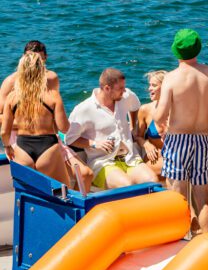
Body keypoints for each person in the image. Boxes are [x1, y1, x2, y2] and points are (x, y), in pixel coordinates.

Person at [156, 30, 208, 234]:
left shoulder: (172, 77)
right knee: (202, 197)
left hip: (178, 139)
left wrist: (159, 122)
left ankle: (180, 243)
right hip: (201, 139)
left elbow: (160, 115)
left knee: (178, 195)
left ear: (176, 51)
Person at [65, 67, 157, 190]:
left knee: (153, 182)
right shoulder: (83, 109)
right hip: (102, 162)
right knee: (126, 186)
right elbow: (70, 139)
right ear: (107, 88)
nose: (124, 91)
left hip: (130, 158)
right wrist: (94, 144)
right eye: (120, 89)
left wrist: (132, 126)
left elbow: (135, 106)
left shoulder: (125, 96)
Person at [1, 52, 70, 184]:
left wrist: (8, 147)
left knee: (28, 193)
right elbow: (64, 128)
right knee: (63, 192)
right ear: (42, 71)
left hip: (22, 148)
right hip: (48, 148)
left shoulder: (12, 97)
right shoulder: (52, 95)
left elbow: (4, 132)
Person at [0, 40, 60, 133]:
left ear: (45, 58)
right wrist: (29, 125)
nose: (33, 63)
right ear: (23, 58)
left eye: (38, 60)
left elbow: (55, 111)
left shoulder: (52, 78)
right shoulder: (10, 82)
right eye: (30, 58)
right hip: (18, 133)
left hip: (45, 132)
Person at [134, 70, 167, 178]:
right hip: (155, 159)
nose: (149, 89)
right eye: (149, 85)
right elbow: (138, 136)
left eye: (154, 85)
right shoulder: (145, 110)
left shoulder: (177, 109)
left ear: (166, 87)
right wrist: (146, 144)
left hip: (174, 157)